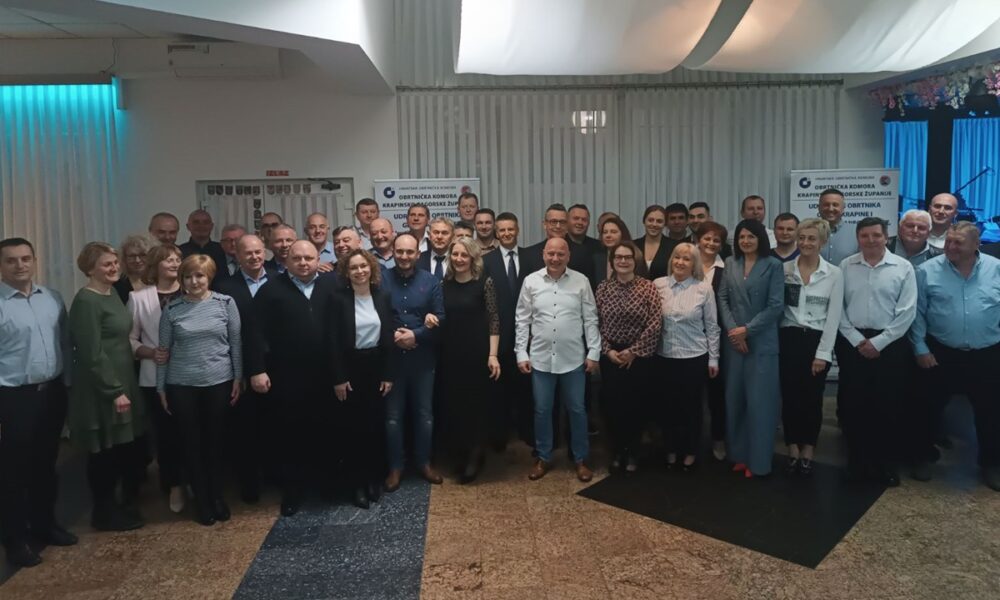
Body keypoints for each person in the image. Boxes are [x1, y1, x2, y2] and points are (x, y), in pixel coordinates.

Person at [0, 238, 77, 567]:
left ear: (34, 260)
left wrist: (68, 385)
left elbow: (65, 344)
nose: (20, 265)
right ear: (1, 266)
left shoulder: (52, 298)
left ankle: (45, 525)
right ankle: (15, 539)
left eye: (25, 258)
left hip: (53, 392)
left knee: (46, 466)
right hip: (14, 396)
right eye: (11, 260)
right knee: (13, 472)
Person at [250, 240, 341, 516]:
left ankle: (327, 486)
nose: (303, 263)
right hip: (287, 375)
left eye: (309, 258)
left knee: (327, 430)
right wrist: (257, 369)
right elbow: (255, 332)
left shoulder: (332, 285)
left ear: (318, 260)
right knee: (291, 434)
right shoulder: (271, 290)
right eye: (297, 258)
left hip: (326, 374)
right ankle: (294, 490)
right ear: (287, 261)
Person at [910, 223, 1000, 491]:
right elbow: (917, 313)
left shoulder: (996, 269)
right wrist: (920, 348)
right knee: (927, 408)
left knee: (992, 412)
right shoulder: (927, 270)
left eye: (958, 242)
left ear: (976, 245)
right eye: (949, 241)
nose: (950, 247)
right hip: (941, 351)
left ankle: (992, 464)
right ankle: (922, 456)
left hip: (988, 353)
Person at [157, 255, 242, 526]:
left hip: (219, 382)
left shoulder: (225, 303)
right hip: (182, 385)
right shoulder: (172, 309)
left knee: (216, 443)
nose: (194, 282)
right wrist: (160, 387)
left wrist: (238, 377)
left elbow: (236, 343)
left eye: (199, 276)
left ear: (209, 277)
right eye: (188, 277)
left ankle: (217, 497)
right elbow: (163, 351)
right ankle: (202, 502)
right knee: (191, 445)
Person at [68, 242, 147, 531]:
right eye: (106, 264)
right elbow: (91, 353)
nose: (114, 268)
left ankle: (116, 506)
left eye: (115, 262)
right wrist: (114, 390)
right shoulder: (86, 301)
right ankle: (103, 512)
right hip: (102, 388)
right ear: (90, 269)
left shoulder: (111, 293)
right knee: (104, 453)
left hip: (122, 378)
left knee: (121, 450)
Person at [837, 217, 916, 486]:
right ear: (857, 238)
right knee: (854, 406)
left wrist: (879, 342)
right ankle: (856, 463)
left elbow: (907, 312)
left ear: (886, 237)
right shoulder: (846, 266)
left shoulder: (903, 267)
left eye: (876, 235)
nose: (870, 240)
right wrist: (857, 340)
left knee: (888, 406)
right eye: (864, 236)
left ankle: (885, 465)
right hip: (853, 344)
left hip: (890, 345)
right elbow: (838, 308)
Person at [516, 238, 601, 482]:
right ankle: (543, 456)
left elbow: (590, 319)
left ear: (568, 256)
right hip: (540, 359)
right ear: (543, 254)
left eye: (560, 254)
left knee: (577, 410)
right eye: (551, 254)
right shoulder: (531, 281)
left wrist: (593, 352)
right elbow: (522, 319)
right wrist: (521, 352)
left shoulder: (581, 281)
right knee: (542, 410)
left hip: (573, 359)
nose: (555, 258)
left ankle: (580, 458)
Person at [427, 237, 500, 483]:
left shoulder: (484, 282)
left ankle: (475, 455)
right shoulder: (442, 284)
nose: (459, 259)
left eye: (464, 255)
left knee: (475, 406)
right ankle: (459, 453)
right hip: (450, 353)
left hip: (477, 353)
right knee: (454, 405)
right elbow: (438, 314)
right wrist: (431, 318)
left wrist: (493, 355)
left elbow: (494, 319)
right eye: (455, 254)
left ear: (473, 258)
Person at [778, 219, 843, 477]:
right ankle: (792, 446)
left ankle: (809, 448)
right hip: (788, 337)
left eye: (811, 238)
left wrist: (823, 353)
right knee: (790, 396)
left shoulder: (834, 274)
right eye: (802, 237)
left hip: (816, 340)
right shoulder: (784, 269)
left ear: (822, 242)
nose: (805, 243)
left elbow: (833, 317)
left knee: (812, 398)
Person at [213, 235, 275, 503]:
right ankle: (250, 483)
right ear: (237, 256)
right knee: (245, 429)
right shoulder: (224, 287)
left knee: (276, 424)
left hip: (278, 363)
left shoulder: (279, 279)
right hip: (240, 366)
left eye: (258, 251)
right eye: (247, 253)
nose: (254, 257)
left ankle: (276, 476)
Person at [381, 233, 446, 491]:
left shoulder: (431, 281)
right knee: (392, 417)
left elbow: (440, 318)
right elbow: (374, 315)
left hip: (422, 359)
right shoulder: (381, 279)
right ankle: (395, 467)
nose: (404, 256)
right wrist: (395, 337)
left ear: (418, 254)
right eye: (400, 251)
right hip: (391, 360)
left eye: (410, 252)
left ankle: (424, 463)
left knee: (424, 415)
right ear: (393, 251)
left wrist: (416, 335)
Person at [718, 220, 783, 478]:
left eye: (751, 237)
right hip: (734, 343)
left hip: (761, 342)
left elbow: (775, 305)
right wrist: (734, 331)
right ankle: (739, 455)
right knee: (735, 401)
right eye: (742, 237)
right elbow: (722, 298)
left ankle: (758, 462)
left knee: (760, 404)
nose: (746, 241)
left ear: (760, 239)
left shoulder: (773, 265)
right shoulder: (730, 262)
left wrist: (748, 330)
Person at [332, 249, 396, 508]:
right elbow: (333, 342)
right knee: (353, 429)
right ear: (346, 273)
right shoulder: (338, 300)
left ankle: (373, 480)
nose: (359, 271)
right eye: (354, 267)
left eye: (363, 266)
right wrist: (339, 377)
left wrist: (388, 373)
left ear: (371, 268)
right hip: (350, 369)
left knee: (374, 427)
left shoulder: (382, 296)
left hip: (376, 368)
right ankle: (356, 484)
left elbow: (388, 336)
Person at [126, 243, 186, 513]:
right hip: (155, 376)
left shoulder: (192, 291)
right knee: (167, 435)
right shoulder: (139, 298)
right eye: (167, 260)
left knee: (191, 432)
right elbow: (129, 338)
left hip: (191, 376)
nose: (174, 264)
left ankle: (193, 479)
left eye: (177, 259)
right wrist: (149, 352)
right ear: (155, 265)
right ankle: (174, 485)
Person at [596, 241, 661, 472]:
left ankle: (633, 452)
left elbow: (655, 323)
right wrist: (608, 350)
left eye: (628, 257)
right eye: (618, 257)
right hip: (611, 356)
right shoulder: (603, 288)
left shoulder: (648, 287)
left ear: (635, 261)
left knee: (636, 406)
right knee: (613, 407)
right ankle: (617, 452)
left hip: (639, 357)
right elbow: (595, 323)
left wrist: (634, 351)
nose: (623, 261)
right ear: (612, 261)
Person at [655, 243, 720, 470]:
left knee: (691, 408)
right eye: (677, 257)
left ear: (694, 264)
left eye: (686, 259)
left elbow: (712, 327)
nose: (680, 262)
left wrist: (714, 358)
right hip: (664, 357)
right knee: (667, 407)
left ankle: (691, 450)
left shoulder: (703, 289)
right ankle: (671, 449)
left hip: (694, 357)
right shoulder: (658, 285)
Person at [483, 212, 532, 448]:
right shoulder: (486, 260)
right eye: (501, 230)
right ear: (496, 232)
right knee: (498, 388)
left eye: (510, 229)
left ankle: (527, 431)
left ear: (517, 230)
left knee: (526, 388)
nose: (506, 233)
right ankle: (499, 435)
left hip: (528, 334)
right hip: (498, 334)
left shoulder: (531, 257)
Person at [697, 221, 729, 461]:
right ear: (697, 240)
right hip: (687, 338)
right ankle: (691, 440)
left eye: (716, 240)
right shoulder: (686, 262)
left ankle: (718, 439)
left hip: (716, 338)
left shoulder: (725, 269)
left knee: (717, 394)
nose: (711, 243)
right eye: (706, 238)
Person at [520, 204, 594, 280]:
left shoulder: (582, 253)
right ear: (545, 224)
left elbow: (588, 284)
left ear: (567, 225)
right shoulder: (529, 255)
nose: (558, 226)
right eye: (553, 221)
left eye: (562, 222)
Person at [634, 205, 678, 280]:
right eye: (650, 220)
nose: (654, 224)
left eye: (659, 221)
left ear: (665, 224)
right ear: (644, 221)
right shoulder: (634, 245)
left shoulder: (674, 246)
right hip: (636, 287)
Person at [592, 216, 635, 289]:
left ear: (622, 234)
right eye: (605, 232)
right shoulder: (597, 258)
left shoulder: (634, 255)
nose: (608, 235)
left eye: (613, 232)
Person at [817, 188, 857, 265]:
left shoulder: (857, 232)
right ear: (819, 207)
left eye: (835, 205)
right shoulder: (808, 232)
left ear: (843, 208)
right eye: (826, 205)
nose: (830, 209)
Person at [115, 234, 152, 304]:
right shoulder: (117, 286)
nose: (137, 260)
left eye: (143, 255)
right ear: (124, 259)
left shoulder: (160, 281)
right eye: (132, 256)